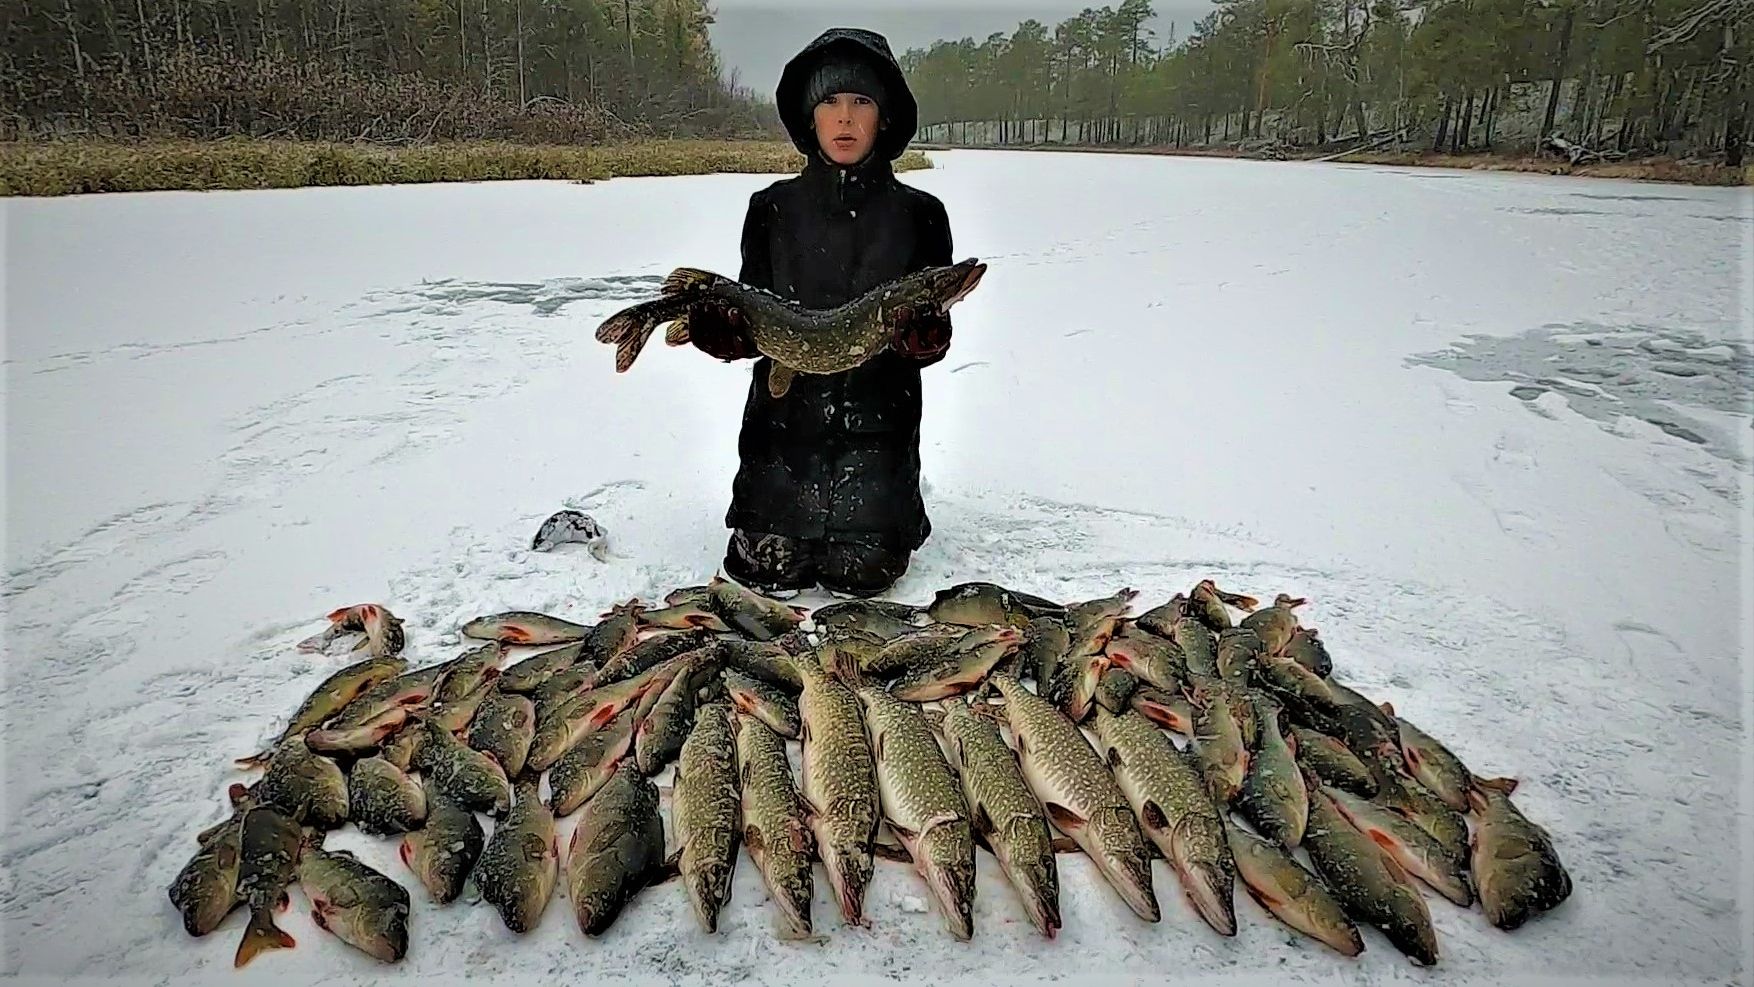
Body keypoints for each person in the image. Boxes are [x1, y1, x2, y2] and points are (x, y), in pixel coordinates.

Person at [686, 28, 958, 600]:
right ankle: (780, 515)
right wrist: (726, 336)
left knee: (859, 576)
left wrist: (925, 339)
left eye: (861, 101)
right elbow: (754, 311)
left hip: (878, 434)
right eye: (829, 102)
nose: (844, 118)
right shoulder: (770, 209)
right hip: (781, 436)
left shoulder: (922, 215)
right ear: (809, 116)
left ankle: (881, 520)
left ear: (884, 117)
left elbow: (930, 334)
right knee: (765, 571)